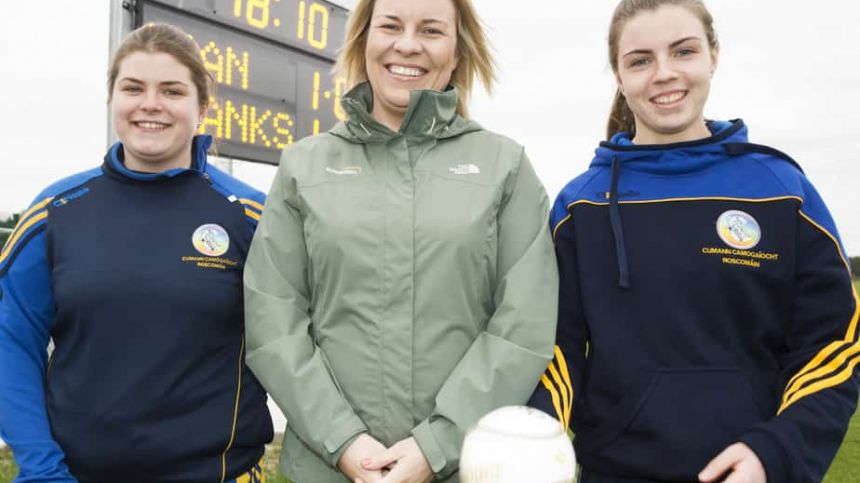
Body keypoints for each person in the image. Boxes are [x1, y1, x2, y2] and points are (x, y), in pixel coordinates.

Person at [528, 1, 859, 482]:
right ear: (619, 77)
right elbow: (552, 349)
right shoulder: (581, 206)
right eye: (640, 60)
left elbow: (832, 347)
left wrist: (775, 451)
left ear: (713, 57)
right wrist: (535, 434)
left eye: (683, 52)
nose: (664, 74)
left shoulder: (782, 190)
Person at [242, 0, 559, 481]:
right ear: (364, 41)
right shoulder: (302, 166)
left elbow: (523, 325)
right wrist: (343, 442)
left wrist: (438, 445)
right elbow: (274, 319)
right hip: (327, 470)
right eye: (390, 26)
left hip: (468, 468)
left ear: (456, 52)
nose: (407, 44)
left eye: (431, 30)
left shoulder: (505, 166)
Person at [0, 23, 273, 482]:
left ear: (202, 108)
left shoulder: (250, 216)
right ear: (113, 101)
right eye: (133, 88)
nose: (151, 104)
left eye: (172, 90)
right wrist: (43, 469)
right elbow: (10, 340)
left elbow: (297, 342)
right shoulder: (57, 210)